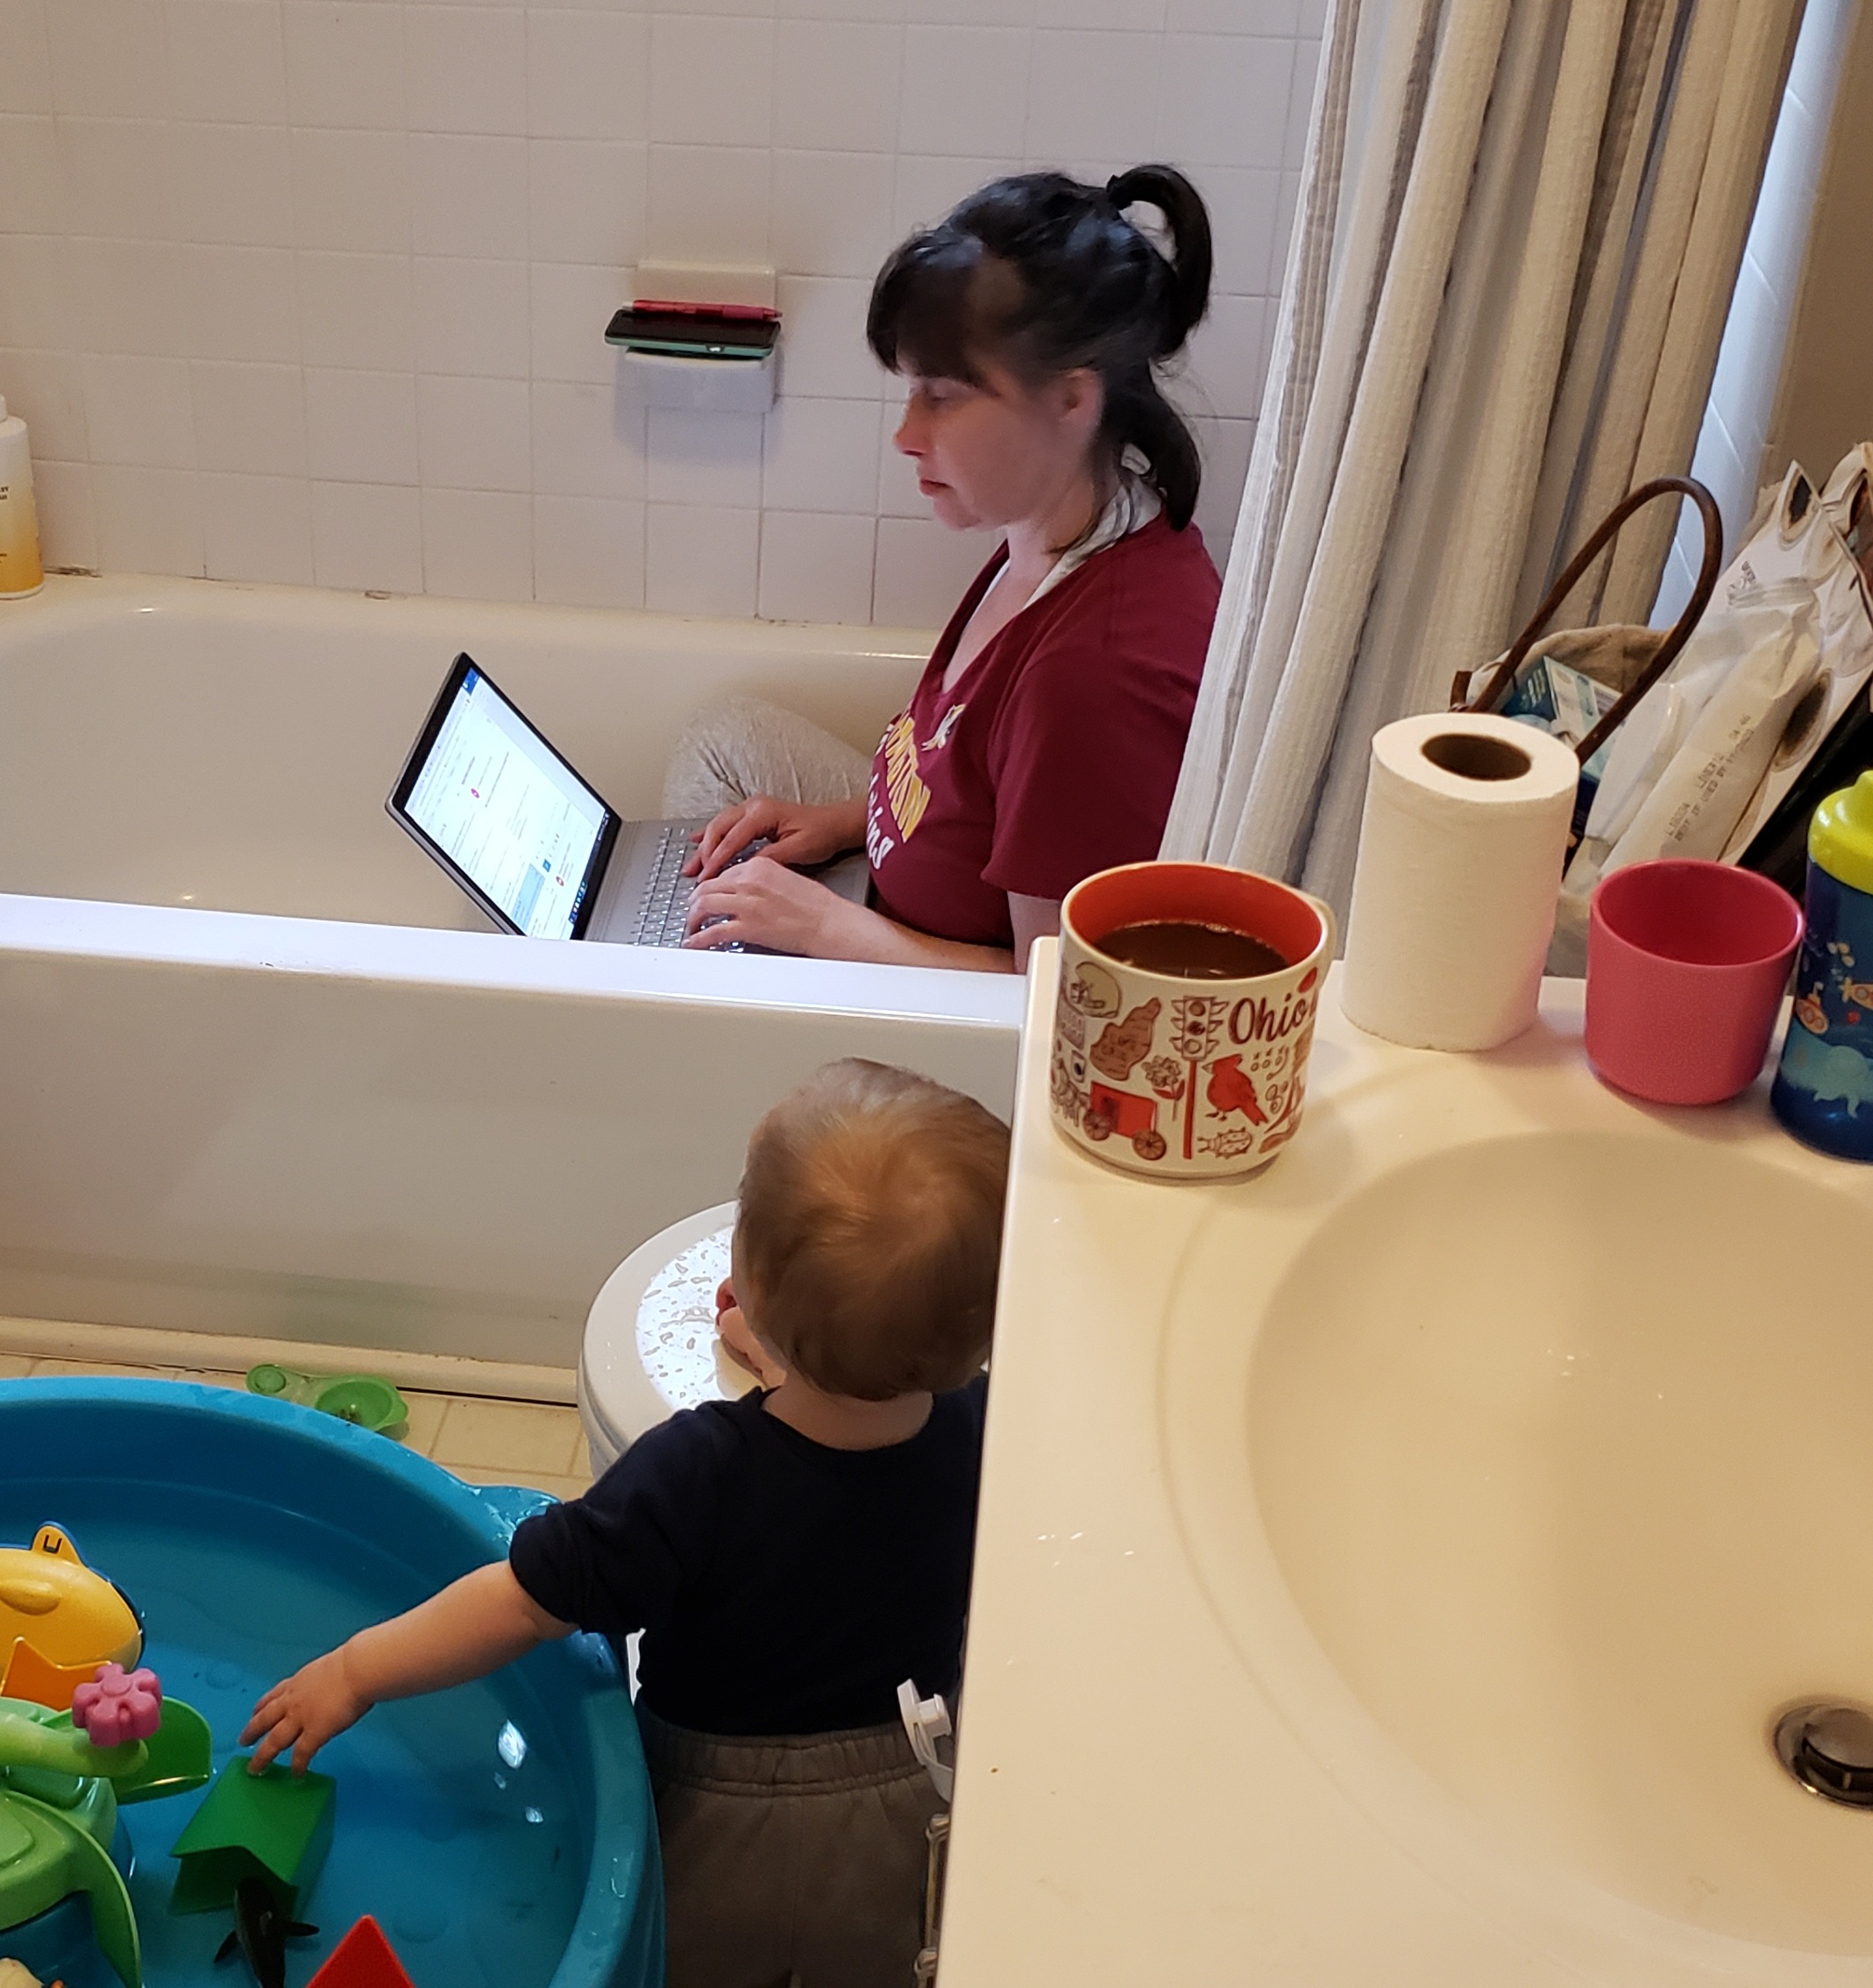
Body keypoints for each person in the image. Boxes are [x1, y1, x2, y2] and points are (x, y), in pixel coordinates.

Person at [241, 1059, 1009, 1988]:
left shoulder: (697, 1473)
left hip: (720, 1810)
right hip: (912, 1783)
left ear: (752, 1286)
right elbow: (857, 1451)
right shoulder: (987, 1431)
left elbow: (525, 1603)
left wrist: (358, 1670)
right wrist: (800, 1362)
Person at [673, 166, 1224, 969]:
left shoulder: (1092, 677)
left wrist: (826, 930)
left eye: (941, 395)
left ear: (1074, 400)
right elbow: (960, 770)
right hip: (898, 889)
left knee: (685, 954)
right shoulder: (1064, 528)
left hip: (933, 1023)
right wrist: (844, 820)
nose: (905, 433)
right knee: (722, 743)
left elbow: (1059, 1000)